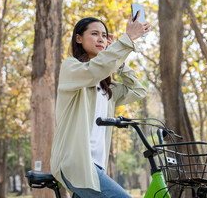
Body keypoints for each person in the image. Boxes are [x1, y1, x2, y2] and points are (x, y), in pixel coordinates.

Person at [50, 12, 150, 198]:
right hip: (76, 164)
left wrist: (120, 64)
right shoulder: (71, 68)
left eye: (104, 36)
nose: (101, 39)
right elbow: (94, 70)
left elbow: (138, 91)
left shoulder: (106, 88)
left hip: (96, 165)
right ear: (78, 38)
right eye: (95, 34)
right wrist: (126, 40)